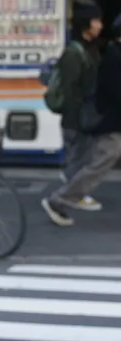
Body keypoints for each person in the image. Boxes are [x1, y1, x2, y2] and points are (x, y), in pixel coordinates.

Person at [43, 24, 121, 225]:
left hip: (109, 121)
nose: (99, 25)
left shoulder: (105, 53)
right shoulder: (113, 58)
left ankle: (64, 196)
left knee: (94, 160)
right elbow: (112, 93)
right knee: (100, 162)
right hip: (111, 123)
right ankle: (60, 199)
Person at [52, 2, 105, 212]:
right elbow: (70, 88)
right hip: (76, 116)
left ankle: (73, 191)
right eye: (96, 21)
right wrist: (78, 117)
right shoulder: (74, 53)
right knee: (78, 154)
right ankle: (72, 195)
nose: (100, 25)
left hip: (84, 113)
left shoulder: (90, 49)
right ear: (86, 24)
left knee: (83, 154)